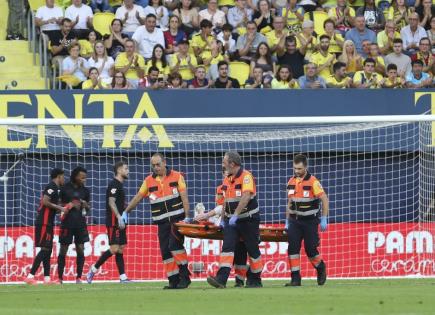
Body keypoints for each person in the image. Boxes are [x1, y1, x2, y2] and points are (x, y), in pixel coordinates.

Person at [123, 153, 192, 289]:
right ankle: (173, 280)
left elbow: (185, 198)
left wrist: (187, 216)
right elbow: (138, 197)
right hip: (161, 223)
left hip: (176, 221)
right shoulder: (148, 181)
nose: (155, 167)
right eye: (153, 165)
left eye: (158, 164)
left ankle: (185, 277)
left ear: (164, 162)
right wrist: (126, 212)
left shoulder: (177, 176)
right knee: (165, 252)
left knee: (174, 247)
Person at [207, 151, 263, 289]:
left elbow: (246, 196)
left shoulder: (246, 177)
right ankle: (221, 279)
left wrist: (236, 214)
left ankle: (255, 278)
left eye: (224, 162)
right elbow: (226, 199)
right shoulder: (227, 178)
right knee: (227, 248)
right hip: (232, 221)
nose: (222, 164)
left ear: (232, 164)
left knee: (252, 250)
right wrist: (223, 218)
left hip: (249, 219)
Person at [285, 154, 329, 287]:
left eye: (299, 168)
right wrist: (287, 220)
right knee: (292, 249)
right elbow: (290, 202)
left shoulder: (313, 182)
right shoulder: (291, 181)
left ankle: (320, 267)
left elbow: (324, 200)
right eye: (295, 168)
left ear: (306, 167)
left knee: (310, 249)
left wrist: (324, 218)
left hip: (310, 222)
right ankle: (295, 278)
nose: (297, 171)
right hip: (294, 221)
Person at [87, 161, 131, 283]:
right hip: (113, 221)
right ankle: (93, 269)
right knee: (114, 248)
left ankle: (123, 277)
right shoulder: (114, 184)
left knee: (121, 248)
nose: (128, 171)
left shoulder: (120, 185)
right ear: (119, 170)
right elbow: (111, 202)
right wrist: (118, 216)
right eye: (126, 168)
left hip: (120, 220)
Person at [24, 168, 66, 285]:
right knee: (45, 249)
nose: (64, 179)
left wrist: (62, 210)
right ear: (58, 176)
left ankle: (47, 279)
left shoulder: (56, 189)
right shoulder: (51, 186)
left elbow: (50, 207)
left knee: (48, 250)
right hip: (44, 222)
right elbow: (45, 202)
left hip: (48, 222)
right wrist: (60, 208)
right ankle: (30, 276)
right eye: (63, 176)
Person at [57, 166, 91, 284]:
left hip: (80, 224)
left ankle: (79, 278)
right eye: (82, 177)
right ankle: (60, 278)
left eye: (85, 177)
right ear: (75, 176)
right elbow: (57, 208)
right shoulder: (64, 189)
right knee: (63, 249)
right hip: (67, 223)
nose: (84, 179)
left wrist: (85, 205)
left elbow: (88, 209)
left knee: (80, 249)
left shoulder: (85, 191)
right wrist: (69, 205)